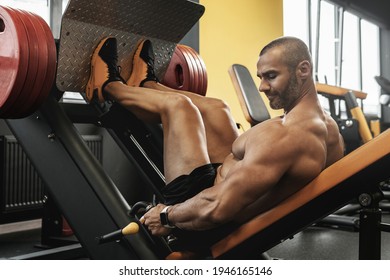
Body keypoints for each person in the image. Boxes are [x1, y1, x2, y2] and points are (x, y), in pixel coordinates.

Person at [85, 36, 344, 253]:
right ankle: (148, 85)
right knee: (218, 108)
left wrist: (166, 215)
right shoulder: (328, 129)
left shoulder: (287, 137)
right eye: (261, 77)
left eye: (271, 76)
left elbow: (216, 208)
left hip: (202, 218)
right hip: (226, 192)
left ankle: (108, 87)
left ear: (303, 70)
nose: (262, 87)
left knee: (179, 107)